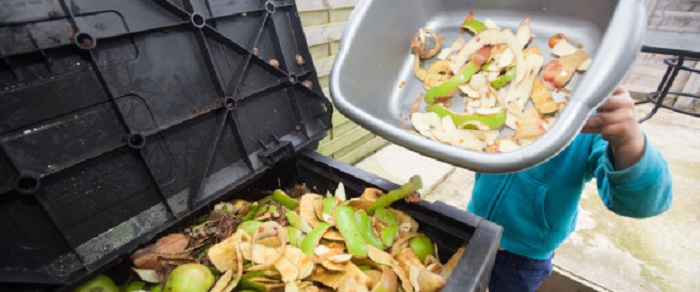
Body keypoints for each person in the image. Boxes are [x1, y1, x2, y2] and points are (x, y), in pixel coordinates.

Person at [467, 86, 673, 292]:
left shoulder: (594, 116)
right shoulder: (508, 91)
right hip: (475, 230)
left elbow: (643, 203)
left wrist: (628, 140)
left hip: (524, 256)